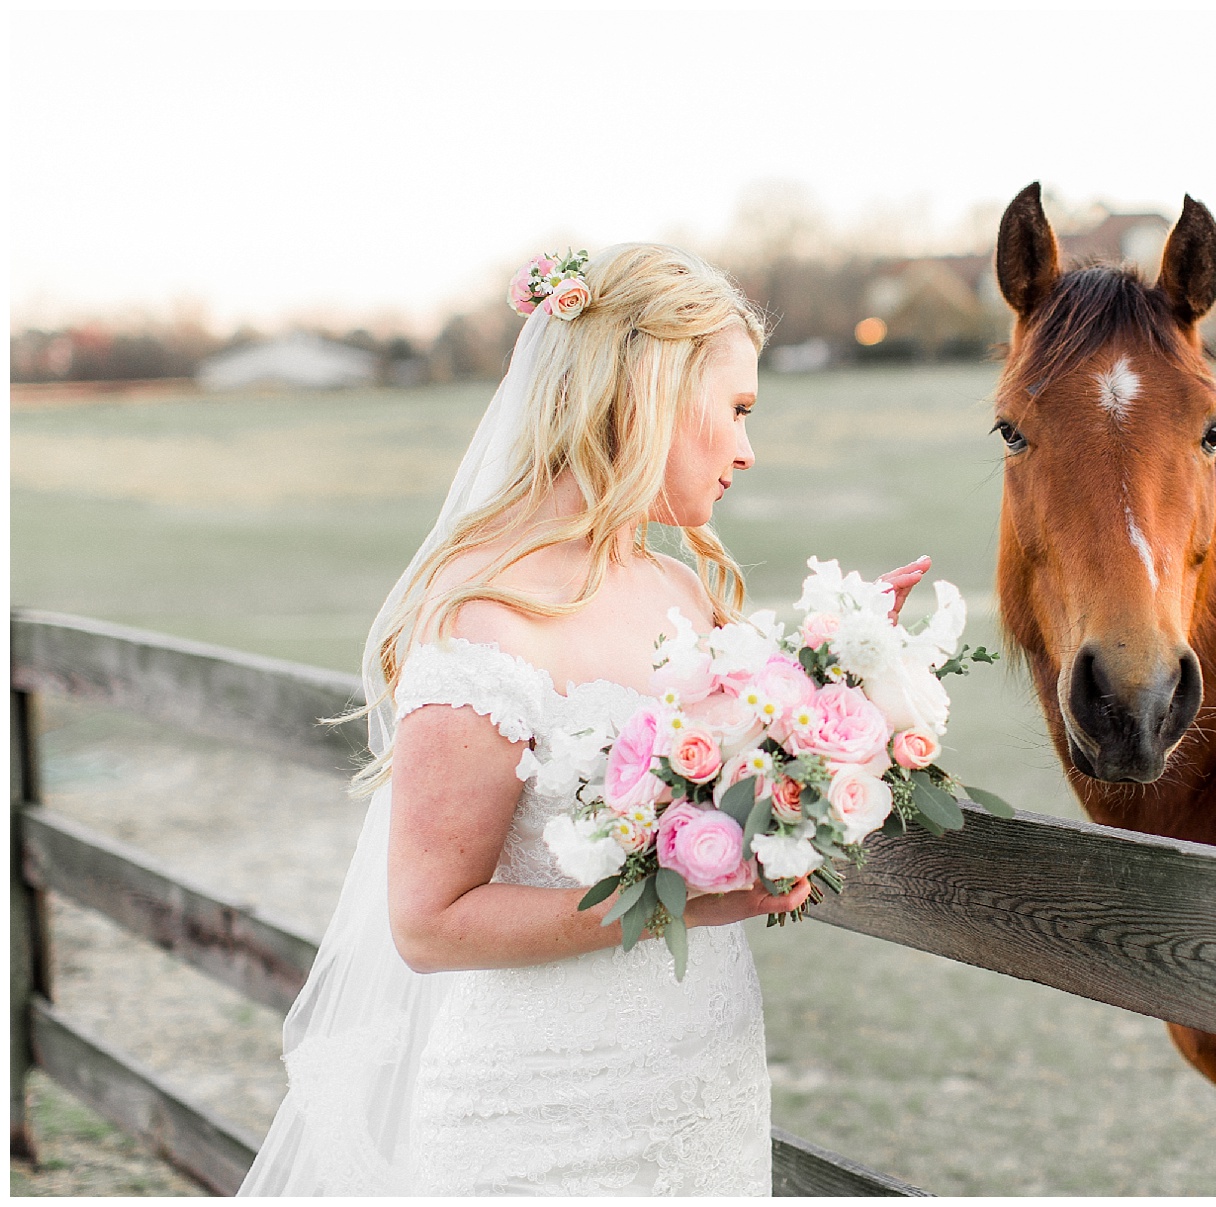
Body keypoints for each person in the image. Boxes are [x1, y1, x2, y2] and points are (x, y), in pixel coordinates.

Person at [240, 244, 930, 1195]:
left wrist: (848, 683)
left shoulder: (686, 592)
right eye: (734, 410)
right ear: (647, 393)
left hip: (706, 1083)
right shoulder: (487, 617)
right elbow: (429, 924)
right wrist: (683, 902)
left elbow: (739, 776)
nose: (747, 449)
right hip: (540, 1113)